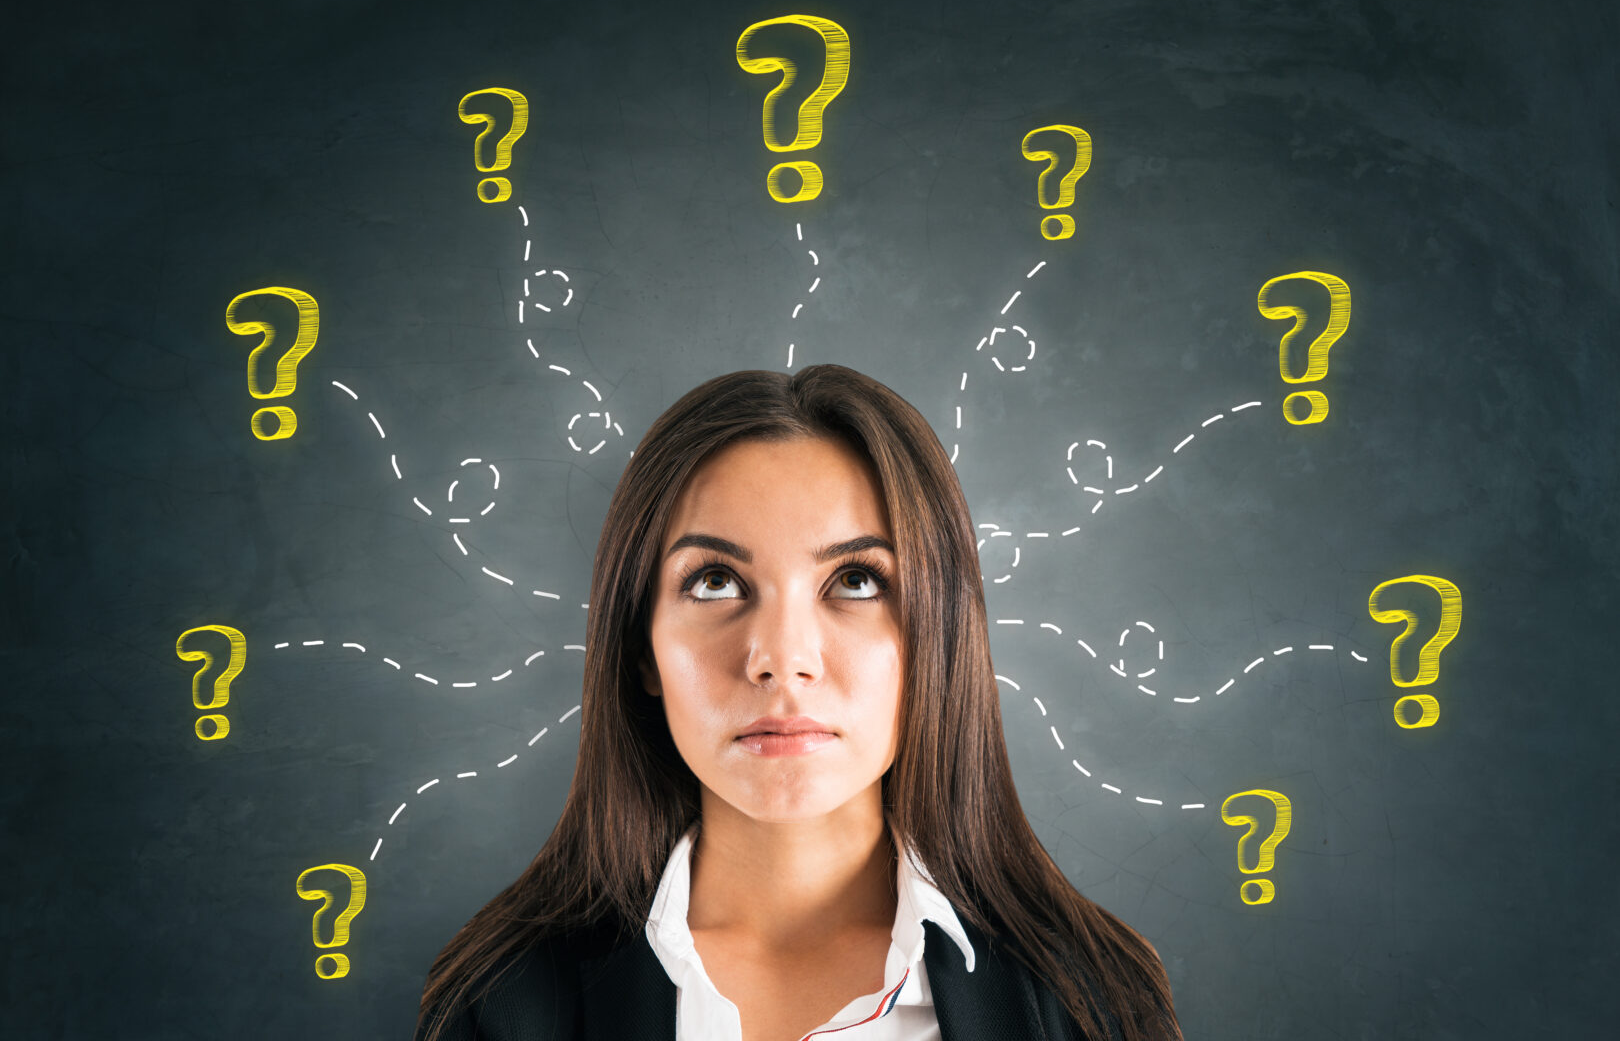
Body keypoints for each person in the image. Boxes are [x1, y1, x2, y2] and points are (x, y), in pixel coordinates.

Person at [414, 364, 1181, 1041]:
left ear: (937, 640)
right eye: (715, 580)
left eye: (856, 580)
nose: (782, 660)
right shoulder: (504, 1001)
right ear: (641, 648)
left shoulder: (1095, 1001)